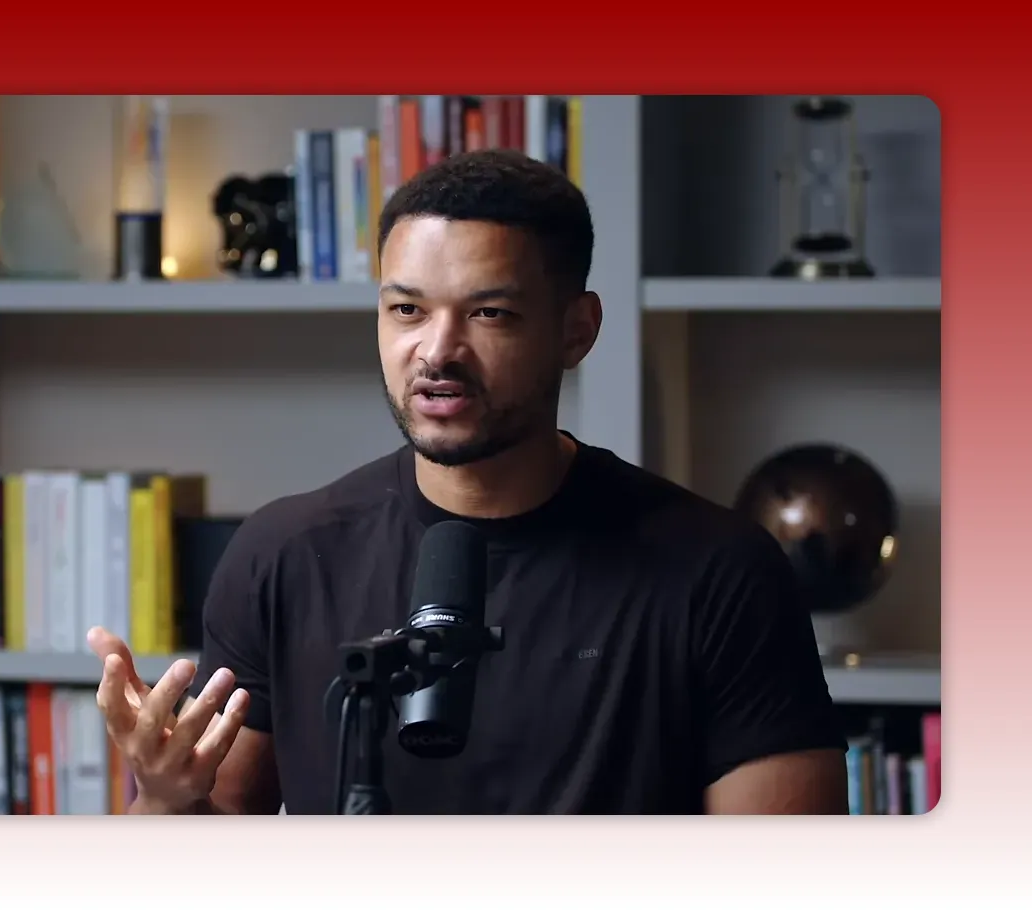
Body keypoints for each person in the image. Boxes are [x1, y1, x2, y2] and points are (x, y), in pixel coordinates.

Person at [88, 148, 849, 815]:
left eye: (489, 313)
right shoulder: (284, 554)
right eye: (406, 310)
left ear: (577, 330)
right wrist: (162, 799)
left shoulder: (719, 572)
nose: (437, 351)